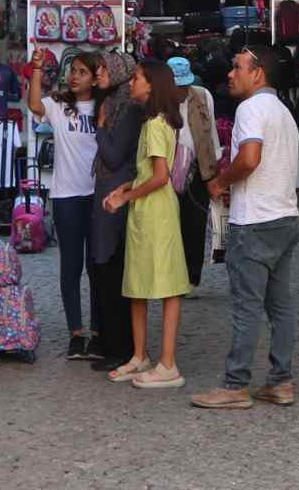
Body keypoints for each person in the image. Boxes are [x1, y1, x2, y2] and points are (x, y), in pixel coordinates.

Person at [191, 46, 299, 411]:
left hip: (254, 221)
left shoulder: (251, 109)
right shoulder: (283, 112)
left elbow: (250, 158)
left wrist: (222, 181)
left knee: (246, 307)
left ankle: (235, 384)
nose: (230, 74)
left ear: (258, 73)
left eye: (237, 67)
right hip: (284, 217)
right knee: (280, 306)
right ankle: (281, 381)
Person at [102, 61, 191, 389]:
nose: (131, 83)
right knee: (138, 284)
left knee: (166, 286)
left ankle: (168, 364)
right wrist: (125, 189)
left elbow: (159, 177)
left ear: (152, 85)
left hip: (156, 213)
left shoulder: (155, 124)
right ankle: (141, 356)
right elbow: (149, 173)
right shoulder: (155, 122)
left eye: (137, 77)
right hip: (148, 210)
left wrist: (125, 197)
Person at [25, 51, 105, 361]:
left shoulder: (105, 107)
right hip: (66, 196)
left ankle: (98, 331)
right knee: (70, 267)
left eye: (82, 72)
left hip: (98, 196)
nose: (74, 76)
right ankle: (76, 332)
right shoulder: (58, 106)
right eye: (72, 70)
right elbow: (34, 105)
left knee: (97, 267)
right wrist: (35, 70)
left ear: (95, 77)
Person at [87, 52, 141, 373]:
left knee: (111, 267)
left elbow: (113, 153)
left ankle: (120, 348)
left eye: (104, 69)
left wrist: (101, 127)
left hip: (116, 194)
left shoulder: (127, 108)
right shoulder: (113, 101)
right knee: (103, 266)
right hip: (108, 191)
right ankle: (111, 344)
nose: (98, 75)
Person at [168, 56, 221, 292]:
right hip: (168, 169)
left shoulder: (202, 96)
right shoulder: (160, 101)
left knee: (195, 224)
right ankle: (171, 276)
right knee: (170, 225)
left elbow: (211, 134)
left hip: (198, 167)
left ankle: (191, 278)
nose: (180, 90)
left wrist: (215, 167)